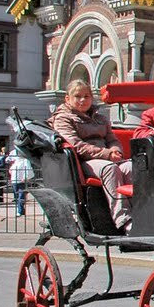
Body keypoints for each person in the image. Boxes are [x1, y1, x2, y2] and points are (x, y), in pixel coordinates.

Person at [51, 79, 132, 232]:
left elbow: (112, 139)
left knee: (132, 167)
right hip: (85, 162)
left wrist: (117, 151)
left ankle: (144, 214)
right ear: (68, 98)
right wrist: (108, 154)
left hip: (108, 157)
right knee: (110, 169)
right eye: (78, 96)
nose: (83, 100)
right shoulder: (63, 118)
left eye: (87, 96)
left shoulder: (101, 118)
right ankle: (123, 220)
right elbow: (77, 145)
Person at [8, 152, 34, 217]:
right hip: (14, 180)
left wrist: (25, 177)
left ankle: (19, 211)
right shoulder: (16, 161)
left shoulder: (25, 160)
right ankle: (21, 210)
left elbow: (28, 169)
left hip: (21, 181)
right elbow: (11, 169)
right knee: (17, 197)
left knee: (21, 196)